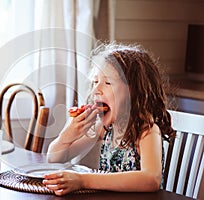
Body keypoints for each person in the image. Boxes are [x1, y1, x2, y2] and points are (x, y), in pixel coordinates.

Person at [42, 42, 176, 196]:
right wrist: (67, 135)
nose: (96, 90)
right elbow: (54, 159)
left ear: (132, 90)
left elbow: (151, 179)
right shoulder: (104, 129)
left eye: (107, 83)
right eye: (95, 81)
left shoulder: (146, 130)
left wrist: (84, 180)